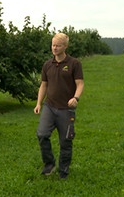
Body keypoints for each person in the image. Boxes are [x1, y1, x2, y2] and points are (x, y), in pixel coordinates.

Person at [34, 33, 84, 179]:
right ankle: (49, 165)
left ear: (65, 46)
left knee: (65, 141)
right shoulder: (47, 65)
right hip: (49, 107)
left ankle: (64, 171)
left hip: (66, 109)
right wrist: (38, 103)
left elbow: (80, 83)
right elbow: (44, 85)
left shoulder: (74, 63)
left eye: (58, 45)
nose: (54, 48)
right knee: (42, 134)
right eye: (53, 45)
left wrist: (76, 97)